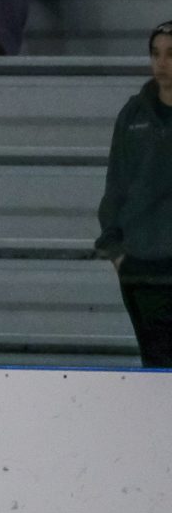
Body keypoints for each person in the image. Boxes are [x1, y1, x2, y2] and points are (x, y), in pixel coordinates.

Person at [97, 21, 172, 366]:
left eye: (170, 54)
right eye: (156, 54)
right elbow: (116, 183)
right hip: (141, 265)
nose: (162, 62)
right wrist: (116, 251)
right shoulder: (133, 113)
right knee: (155, 362)